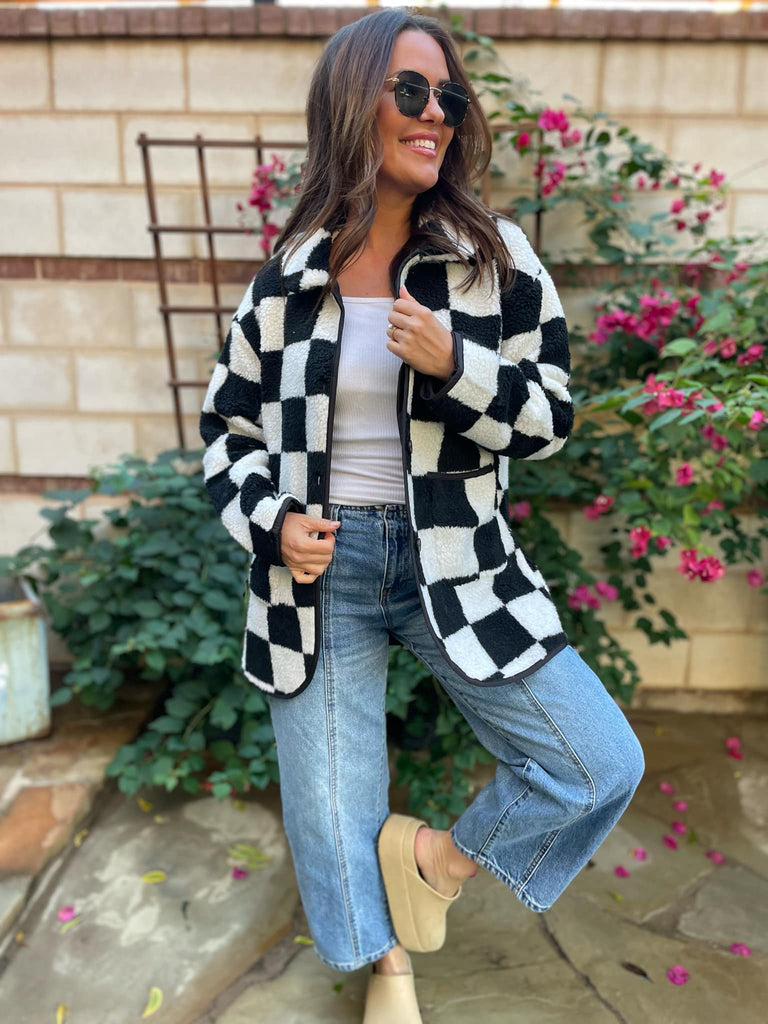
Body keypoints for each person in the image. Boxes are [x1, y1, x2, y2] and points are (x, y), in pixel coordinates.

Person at [199, 9, 645, 1022]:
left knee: (597, 762)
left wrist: (456, 365)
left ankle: (435, 862)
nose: (436, 112)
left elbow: (551, 419)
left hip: (460, 561)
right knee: (333, 810)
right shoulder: (288, 277)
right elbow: (227, 429)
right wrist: (271, 520)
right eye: (411, 90)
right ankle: (387, 967)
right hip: (318, 572)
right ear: (351, 103)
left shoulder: (495, 260)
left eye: (448, 95)